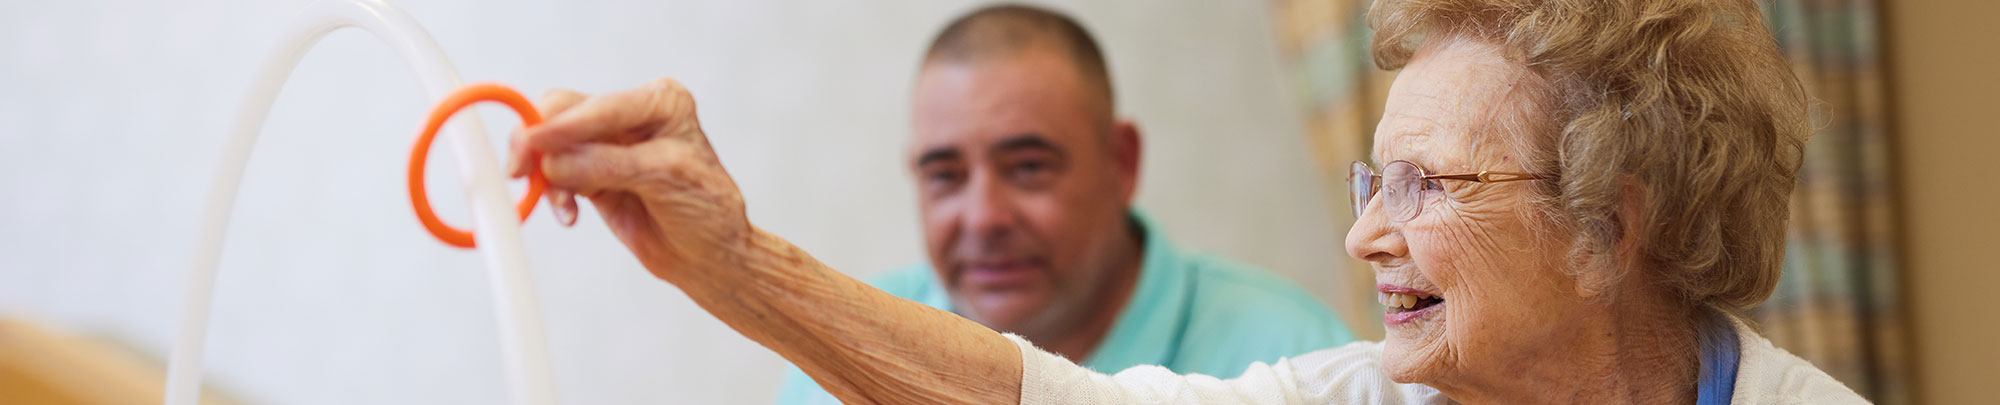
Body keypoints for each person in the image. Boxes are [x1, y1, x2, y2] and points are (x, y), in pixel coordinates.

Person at [508, 0, 1869, 402]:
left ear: (1608, 228)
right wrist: (731, 263)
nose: (1363, 233)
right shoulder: (1367, 396)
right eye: (1366, 179)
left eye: (1423, 185)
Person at [769, 5, 1355, 403]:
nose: (983, 217)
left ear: (1120, 163)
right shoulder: (838, 356)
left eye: (1028, 168)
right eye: (945, 175)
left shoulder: (1296, 356)